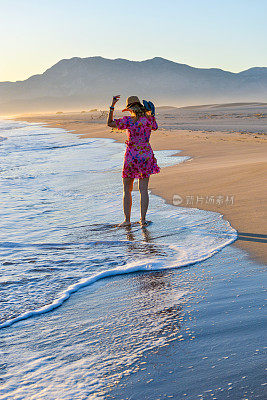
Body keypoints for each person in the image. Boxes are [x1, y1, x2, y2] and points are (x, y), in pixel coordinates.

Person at [107, 95, 160, 227]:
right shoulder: (149, 120)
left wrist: (112, 106)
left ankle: (127, 220)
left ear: (130, 109)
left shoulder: (128, 121)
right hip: (146, 155)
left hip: (132, 156)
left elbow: (110, 123)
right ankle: (142, 220)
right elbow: (155, 127)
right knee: (143, 189)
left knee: (127, 189)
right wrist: (151, 114)